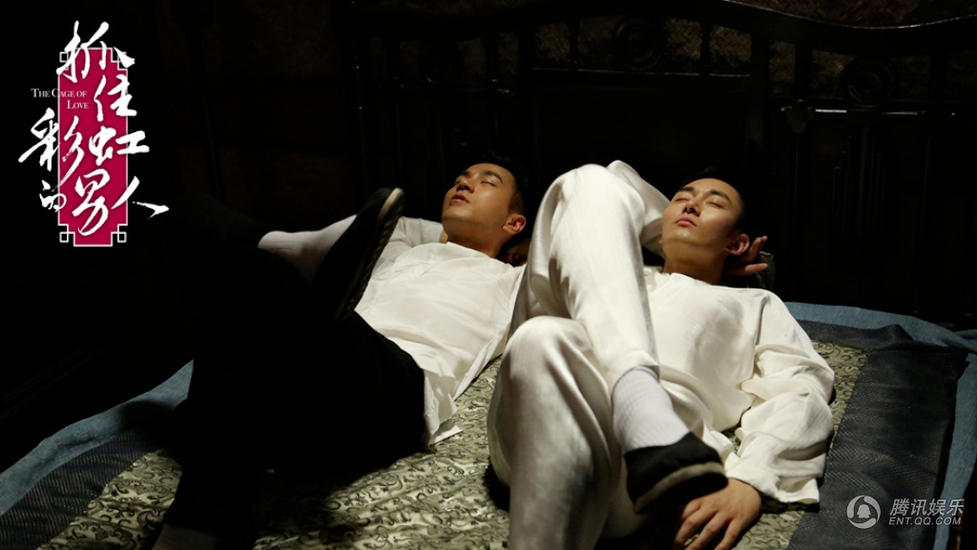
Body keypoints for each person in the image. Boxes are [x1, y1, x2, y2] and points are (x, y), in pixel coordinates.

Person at [151, 160, 527, 550]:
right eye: (459, 180)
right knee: (179, 210)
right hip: (307, 378)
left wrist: (526, 246)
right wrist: (452, 231)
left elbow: (563, 256)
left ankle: (194, 523)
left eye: (487, 182)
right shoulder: (401, 249)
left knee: (265, 279)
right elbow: (390, 215)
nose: (464, 184)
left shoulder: (515, 283)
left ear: (514, 222)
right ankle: (294, 265)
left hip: (396, 388)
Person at [487, 161, 835, 550]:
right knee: (588, 181)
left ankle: (643, 410)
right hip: (534, 410)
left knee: (541, 336)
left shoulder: (755, 303)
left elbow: (800, 387)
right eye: (681, 199)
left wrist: (753, 476)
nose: (690, 205)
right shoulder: (603, 264)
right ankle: (640, 400)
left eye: (713, 203)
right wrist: (668, 231)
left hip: (647, 470)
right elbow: (616, 181)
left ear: (737, 243)